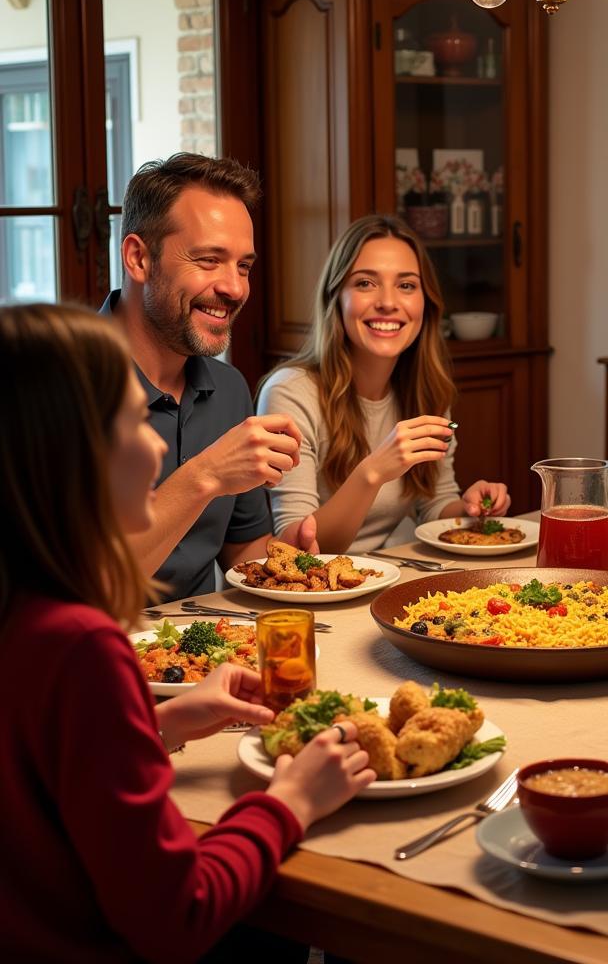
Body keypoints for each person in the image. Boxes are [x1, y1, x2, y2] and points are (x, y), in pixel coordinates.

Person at [0, 304, 374, 961]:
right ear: (62, 456)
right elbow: (178, 913)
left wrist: (157, 725)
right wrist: (290, 800)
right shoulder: (82, 645)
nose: (155, 444)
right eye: (128, 422)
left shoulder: (24, 617)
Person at [103, 153, 317, 600]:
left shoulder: (229, 389)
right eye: (208, 260)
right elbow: (88, 588)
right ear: (139, 258)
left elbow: (242, 554)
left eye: (243, 265)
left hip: (206, 652)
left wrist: (282, 559)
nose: (235, 288)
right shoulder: (52, 386)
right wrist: (206, 475)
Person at [257, 214, 510, 552]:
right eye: (365, 283)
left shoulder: (427, 390)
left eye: (406, 285)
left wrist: (469, 509)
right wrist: (372, 473)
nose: (388, 303)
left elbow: (433, 507)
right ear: (336, 298)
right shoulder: (290, 392)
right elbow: (298, 549)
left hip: (387, 581)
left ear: (426, 303)